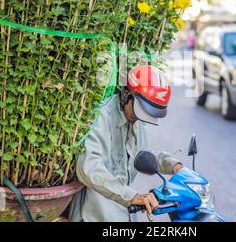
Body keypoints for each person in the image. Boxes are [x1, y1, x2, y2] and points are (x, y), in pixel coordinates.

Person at [69, 65, 183, 222]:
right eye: (141, 111)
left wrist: (175, 166)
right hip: (94, 215)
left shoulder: (135, 119)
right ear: (126, 95)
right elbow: (90, 168)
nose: (140, 118)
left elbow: (144, 154)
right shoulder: (102, 116)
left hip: (124, 212)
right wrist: (133, 196)